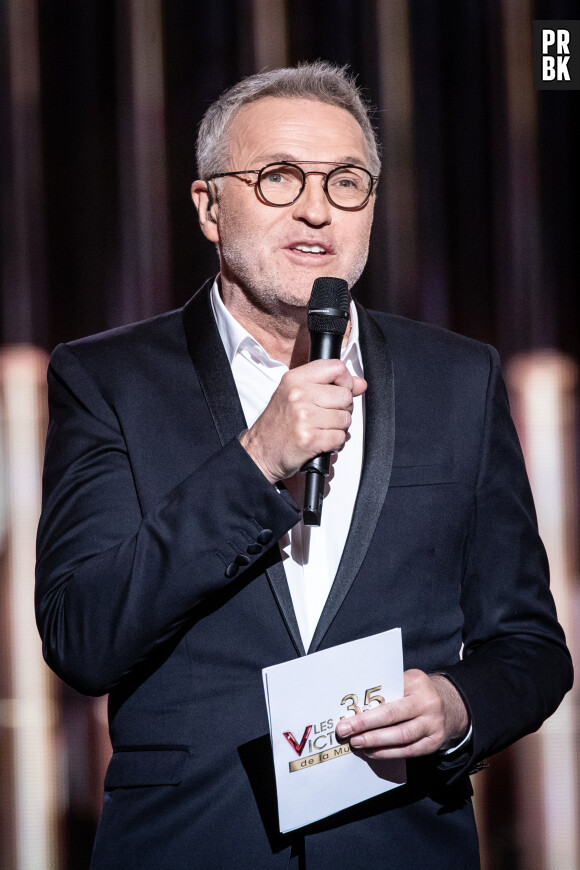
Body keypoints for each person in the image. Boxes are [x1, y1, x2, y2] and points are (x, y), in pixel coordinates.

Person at [36, 62, 572, 868]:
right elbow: (83, 636)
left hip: (401, 842)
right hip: (195, 843)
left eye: (347, 182)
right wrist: (255, 461)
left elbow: (531, 647)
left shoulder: (457, 379)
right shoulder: (110, 380)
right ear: (209, 205)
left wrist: (458, 706)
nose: (317, 208)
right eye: (279, 177)